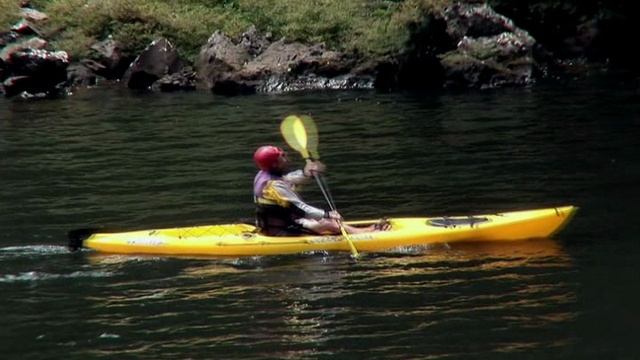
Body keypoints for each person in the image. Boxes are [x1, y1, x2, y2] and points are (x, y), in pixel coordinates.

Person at [253, 145, 388, 236]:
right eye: (282, 156)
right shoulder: (273, 186)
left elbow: (288, 179)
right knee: (330, 224)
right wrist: (327, 214)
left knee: (328, 221)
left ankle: (359, 230)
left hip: (280, 223)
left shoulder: (263, 175)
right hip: (282, 230)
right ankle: (366, 233)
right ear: (275, 164)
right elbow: (301, 209)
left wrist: (307, 174)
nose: (286, 157)